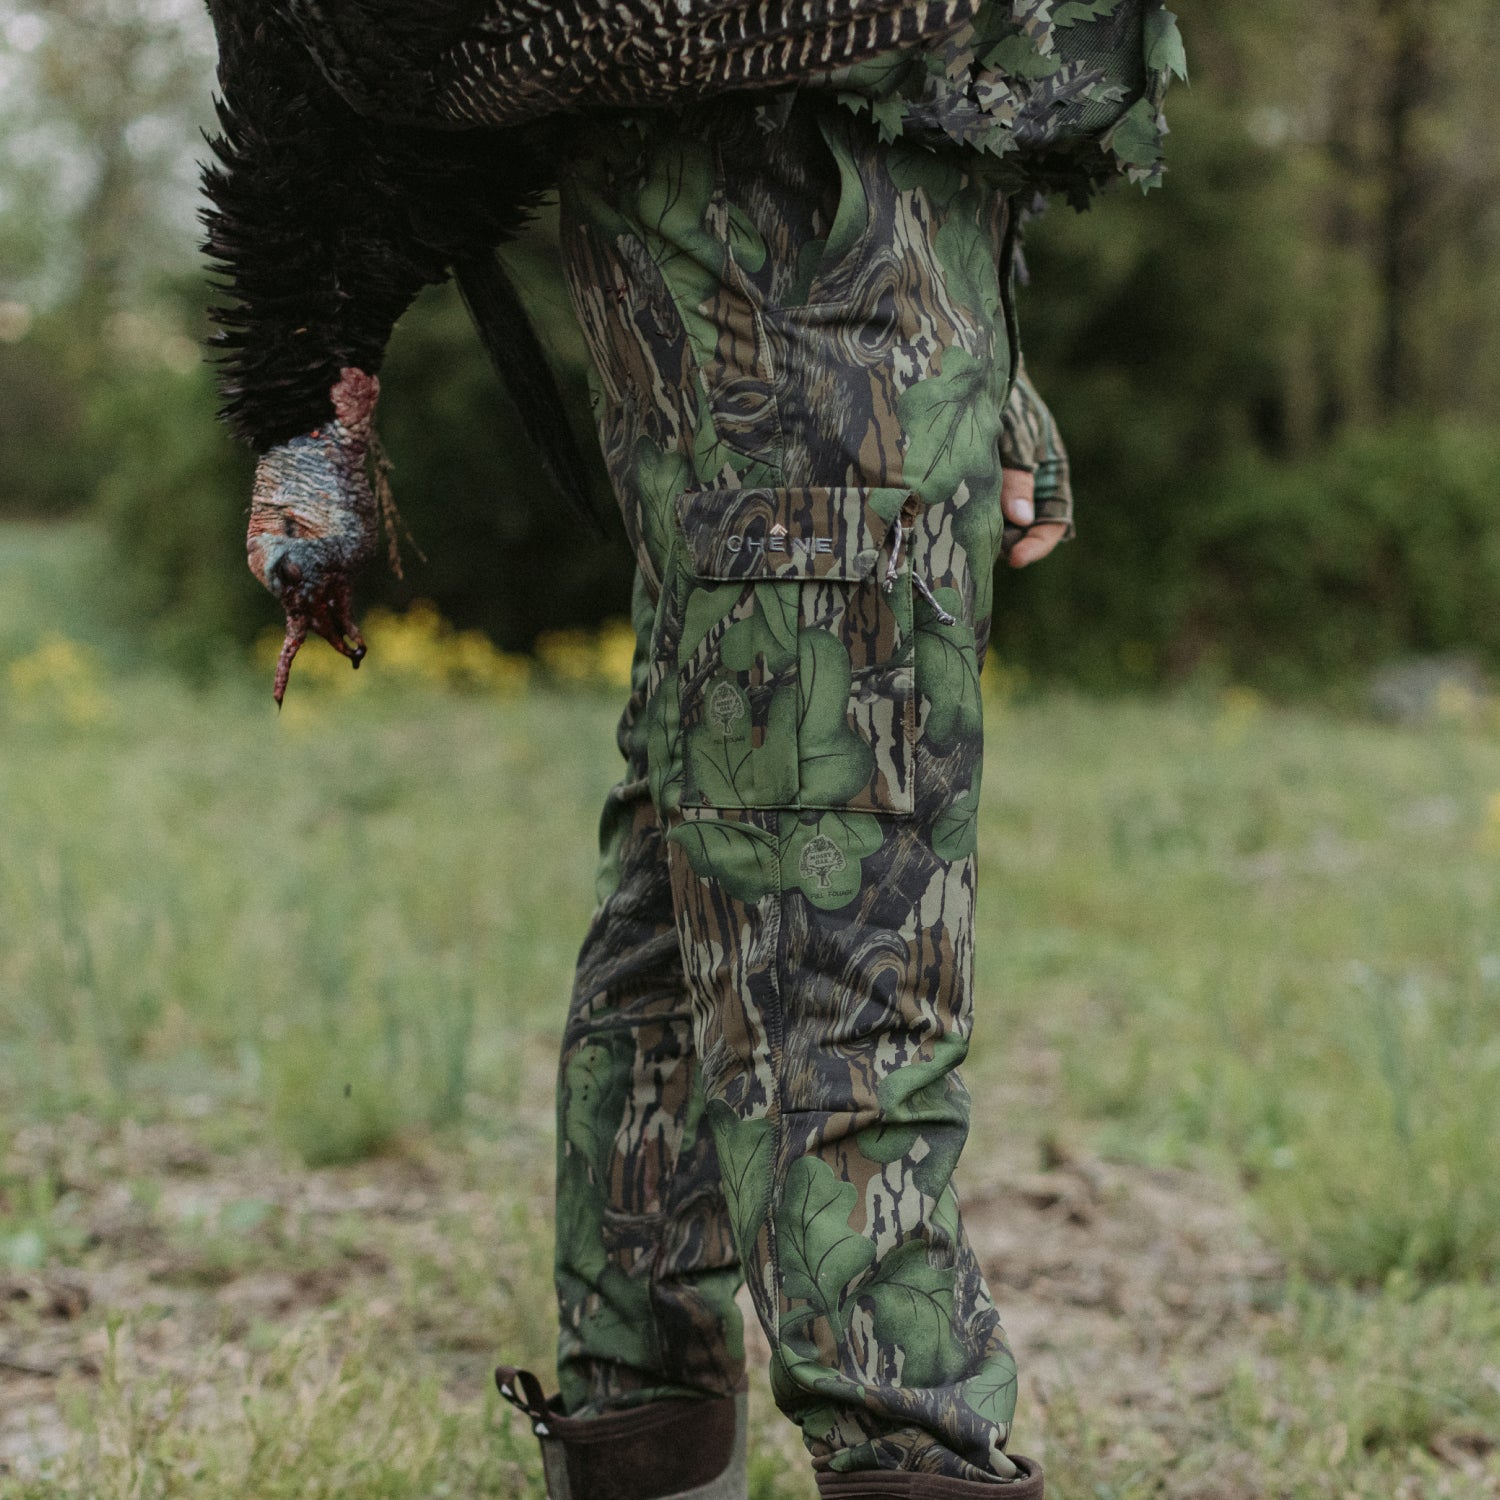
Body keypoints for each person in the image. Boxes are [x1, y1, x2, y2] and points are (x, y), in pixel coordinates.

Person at [201, 4, 1182, 1494]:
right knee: (841, 876)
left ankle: (642, 1428)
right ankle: (902, 1441)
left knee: (699, 847)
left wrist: (961, 339)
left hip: (827, 233)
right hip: (784, 229)